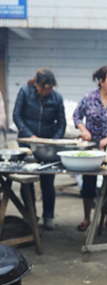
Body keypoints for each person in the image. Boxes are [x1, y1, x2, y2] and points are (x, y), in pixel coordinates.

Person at [73, 65, 107, 232]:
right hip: (91, 146)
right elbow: (76, 115)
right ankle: (87, 217)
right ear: (102, 81)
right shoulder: (89, 97)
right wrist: (83, 129)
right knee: (88, 182)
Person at [13, 68, 66, 230]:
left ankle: (48, 216)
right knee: (26, 182)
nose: (46, 91)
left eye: (50, 88)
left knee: (47, 182)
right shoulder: (24, 92)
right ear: (36, 84)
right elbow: (17, 116)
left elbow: (61, 123)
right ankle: (31, 215)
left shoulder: (57, 98)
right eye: (44, 88)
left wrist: (53, 141)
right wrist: (30, 136)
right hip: (27, 144)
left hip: (48, 147)